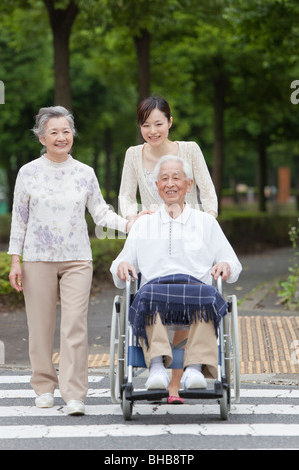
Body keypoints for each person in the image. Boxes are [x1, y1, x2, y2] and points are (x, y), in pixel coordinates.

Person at [8, 106, 143, 416]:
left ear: (73, 135)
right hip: (38, 259)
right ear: (41, 137)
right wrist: (16, 260)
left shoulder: (84, 172)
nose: (61, 137)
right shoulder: (28, 172)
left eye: (66, 131)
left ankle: (74, 394)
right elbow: (20, 219)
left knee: (75, 327)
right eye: (53, 132)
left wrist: (129, 223)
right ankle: (43, 386)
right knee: (40, 326)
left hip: (77, 259)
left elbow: (100, 212)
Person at [111, 155, 242, 392]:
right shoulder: (143, 224)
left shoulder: (206, 222)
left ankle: (193, 368)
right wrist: (121, 266)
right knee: (145, 297)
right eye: (164, 179)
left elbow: (232, 262)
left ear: (189, 185)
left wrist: (226, 265)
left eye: (176, 178)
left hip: (196, 292)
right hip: (154, 291)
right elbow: (123, 261)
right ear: (157, 186)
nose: (170, 183)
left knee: (210, 298)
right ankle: (157, 366)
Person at [118, 95, 218, 402]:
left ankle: (185, 376)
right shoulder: (134, 155)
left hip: (189, 230)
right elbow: (125, 197)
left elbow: (208, 194)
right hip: (151, 232)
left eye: (158, 123)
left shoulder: (189, 150)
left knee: (193, 289)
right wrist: (134, 218)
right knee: (154, 290)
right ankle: (164, 375)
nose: (153, 130)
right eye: (146, 125)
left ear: (170, 122)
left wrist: (201, 224)